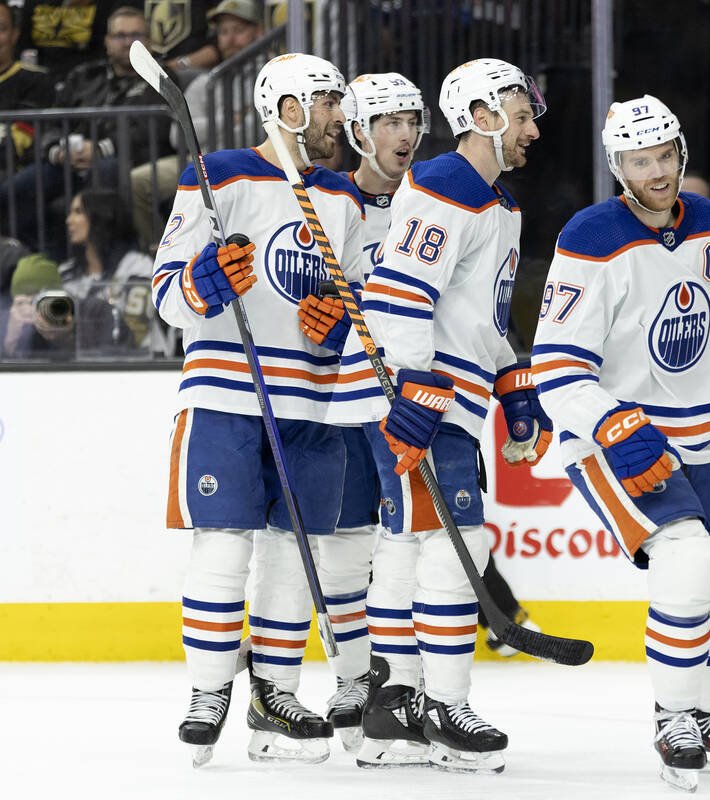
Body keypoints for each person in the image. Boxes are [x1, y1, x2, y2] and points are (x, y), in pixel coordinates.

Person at [532, 95, 710, 791]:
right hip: (614, 443)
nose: (655, 171)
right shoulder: (590, 236)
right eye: (638, 160)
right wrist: (610, 424)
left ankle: (708, 716)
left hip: (699, 440)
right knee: (687, 560)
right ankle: (672, 717)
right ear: (617, 166)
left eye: (664, 155)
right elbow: (555, 368)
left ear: (680, 152)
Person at [153, 52, 365, 767]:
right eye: (329, 101)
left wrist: (340, 321)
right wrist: (202, 281)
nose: (342, 115)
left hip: (311, 401)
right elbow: (163, 294)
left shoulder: (345, 198)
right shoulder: (220, 177)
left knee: (290, 560)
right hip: (225, 393)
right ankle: (209, 690)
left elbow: (359, 306)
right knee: (223, 547)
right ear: (290, 108)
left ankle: (275, 693)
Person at [346, 57, 549, 775]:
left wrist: (514, 382)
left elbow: (484, 317)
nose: (533, 128)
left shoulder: (500, 203)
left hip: (448, 396)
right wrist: (416, 387)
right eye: (522, 115)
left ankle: (393, 710)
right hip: (418, 400)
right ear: (484, 117)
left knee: (408, 546)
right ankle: (441, 705)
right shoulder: (443, 185)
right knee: (456, 542)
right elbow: (399, 294)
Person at [297, 70, 431, 758]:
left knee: (418, 545)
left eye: (412, 120)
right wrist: (315, 322)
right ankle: (356, 678)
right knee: (348, 545)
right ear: (356, 130)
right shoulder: (320, 202)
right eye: (388, 122)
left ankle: (411, 686)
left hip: (416, 403)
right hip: (342, 402)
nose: (404, 135)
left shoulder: (436, 202)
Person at [1, 6, 172, 250]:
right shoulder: (84, 75)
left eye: (136, 36)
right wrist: (57, 150)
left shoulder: (162, 77)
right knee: (18, 187)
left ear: (150, 41)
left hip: (127, 161)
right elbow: (52, 121)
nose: (128, 43)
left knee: (104, 172)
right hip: (70, 161)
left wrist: (101, 148)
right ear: (106, 41)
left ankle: (105, 262)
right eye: (120, 36)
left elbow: (153, 129)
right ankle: (32, 256)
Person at [131, 0, 265, 249]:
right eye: (223, 32)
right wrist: (228, 120)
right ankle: (159, 251)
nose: (230, 38)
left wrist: (206, 128)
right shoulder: (205, 82)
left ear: (259, 32)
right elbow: (178, 134)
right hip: (198, 160)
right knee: (139, 181)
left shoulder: (269, 78)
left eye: (238, 30)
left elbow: (255, 133)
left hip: (247, 161)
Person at [58, 188, 162, 355]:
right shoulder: (66, 272)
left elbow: (138, 329)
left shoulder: (137, 266)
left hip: (140, 365)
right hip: (80, 367)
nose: (69, 220)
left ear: (101, 217)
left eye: (78, 212)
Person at [0, 1, 55, 172]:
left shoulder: (36, 80)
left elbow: (17, 146)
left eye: (0, 28)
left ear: (14, 35)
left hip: (13, 176)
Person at [1, 250, 73, 358]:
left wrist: (64, 336)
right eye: (28, 301)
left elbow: (89, 356)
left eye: (41, 300)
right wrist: (11, 339)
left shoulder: (75, 314)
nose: (35, 308)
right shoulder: (6, 320)